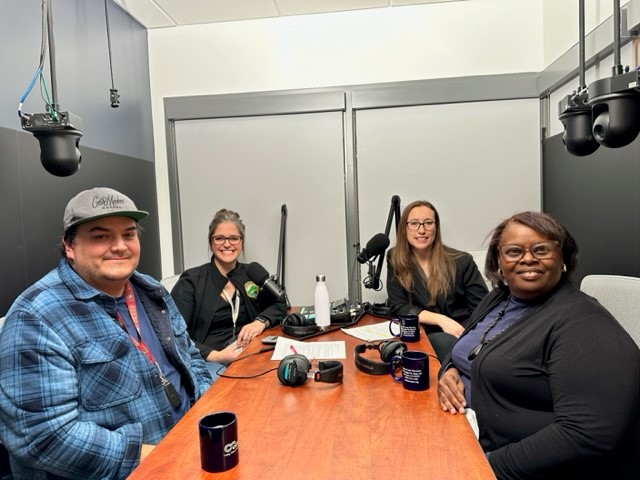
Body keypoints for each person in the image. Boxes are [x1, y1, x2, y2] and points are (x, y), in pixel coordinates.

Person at [0, 187, 213, 480]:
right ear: (69, 246)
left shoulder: (151, 291)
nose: (120, 246)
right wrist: (156, 456)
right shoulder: (36, 317)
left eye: (128, 234)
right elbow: (43, 437)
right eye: (101, 236)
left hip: (191, 448)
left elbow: (189, 356)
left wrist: (205, 411)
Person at [437, 211, 640, 480]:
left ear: (563, 258)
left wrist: (485, 467)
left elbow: (587, 434)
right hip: (461, 433)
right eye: (513, 251)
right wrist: (449, 370)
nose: (528, 258)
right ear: (499, 260)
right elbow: (471, 348)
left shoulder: (584, 324)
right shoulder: (500, 298)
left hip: (511, 465)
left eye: (541, 249)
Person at [171, 208, 287, 378]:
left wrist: (259, 322)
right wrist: (218, 356)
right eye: (219, 238)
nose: (227, 244)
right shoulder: (191, 281)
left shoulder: (251, 274)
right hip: (209, 360)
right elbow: (174, 334)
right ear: (211, 242)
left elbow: (280, 303)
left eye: (234, 238)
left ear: (241, 242)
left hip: (250, 353)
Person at [386, 200, 488, 360]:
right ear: (404, 228)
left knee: (446, 343)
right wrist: (441, 320)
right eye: (414, 223)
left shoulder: (462, 261)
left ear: (436, 227)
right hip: (423, 334)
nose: (421, 230)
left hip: (462, 332)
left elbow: (483, 309)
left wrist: (468, 334)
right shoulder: (395, 259)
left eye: (428, 223)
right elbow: (399, 306)